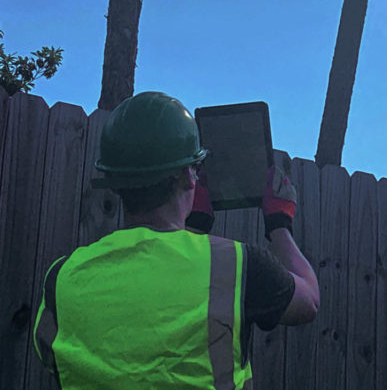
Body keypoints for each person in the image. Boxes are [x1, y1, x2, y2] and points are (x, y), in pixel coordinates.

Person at [32, 91, 320, 389]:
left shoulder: (63, 276)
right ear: (188, 176)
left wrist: (195, 224)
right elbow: (309, 301)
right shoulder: (238, 266)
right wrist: (279, 223)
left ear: (115, 182)